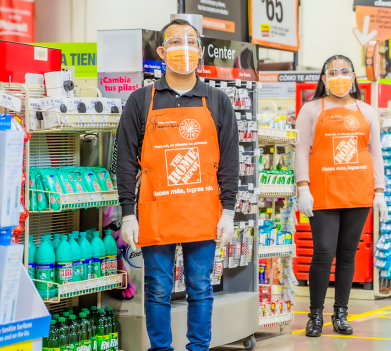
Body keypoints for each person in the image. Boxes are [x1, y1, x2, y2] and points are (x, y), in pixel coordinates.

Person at [116, 19, 238, 350]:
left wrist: (228, 211)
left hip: (203, 213)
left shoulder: (217, 101)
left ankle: (198, 348)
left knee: (200, 286)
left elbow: (228, 162)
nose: (184, 49)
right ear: (161, 51)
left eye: (191, 43)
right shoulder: (141, 101)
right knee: (157, 287)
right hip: (156, 212)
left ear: (200, 51)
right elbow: (125, 161)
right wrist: (129, 214)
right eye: (175, 43)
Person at [295, 55, 387, 337]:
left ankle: (341, 313)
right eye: (332, 72)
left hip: (358, 192)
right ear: (323, 79)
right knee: (323, 252)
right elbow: (301, 150)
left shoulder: (367, 111)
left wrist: (380, 191)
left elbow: (375, 153)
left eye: (344, 71)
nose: (339, 77)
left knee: (348, 255)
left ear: (354, 76)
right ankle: (315, 315)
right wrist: (302, 187)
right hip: (322, 191)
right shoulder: (311, 109)